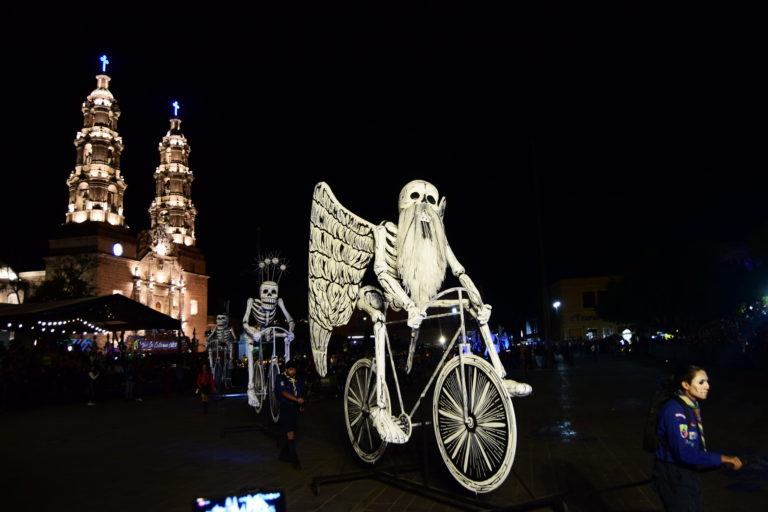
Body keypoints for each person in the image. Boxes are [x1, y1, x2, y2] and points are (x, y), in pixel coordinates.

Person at [652, 364, 743, 511]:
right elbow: (684, 453)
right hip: (673, 473)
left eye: (707, 381)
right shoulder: (675, 411)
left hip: (687, 470)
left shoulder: (691, 405)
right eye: (701, 382)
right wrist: (723, 459)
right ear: (686, 385)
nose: (707, 386)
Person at [277, 360, 304, 469]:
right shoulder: (281, 378)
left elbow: (299, 391)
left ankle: (283, 455)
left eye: (294, 369)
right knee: (290, 432)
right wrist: (296, 399)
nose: (293, 371)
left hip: (295, 408)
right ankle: (294, 459)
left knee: (292, 430)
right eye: (291, 369)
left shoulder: (296, 379)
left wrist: (301, 404)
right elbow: (283, 392)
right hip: (286, 407)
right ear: (286, 369)